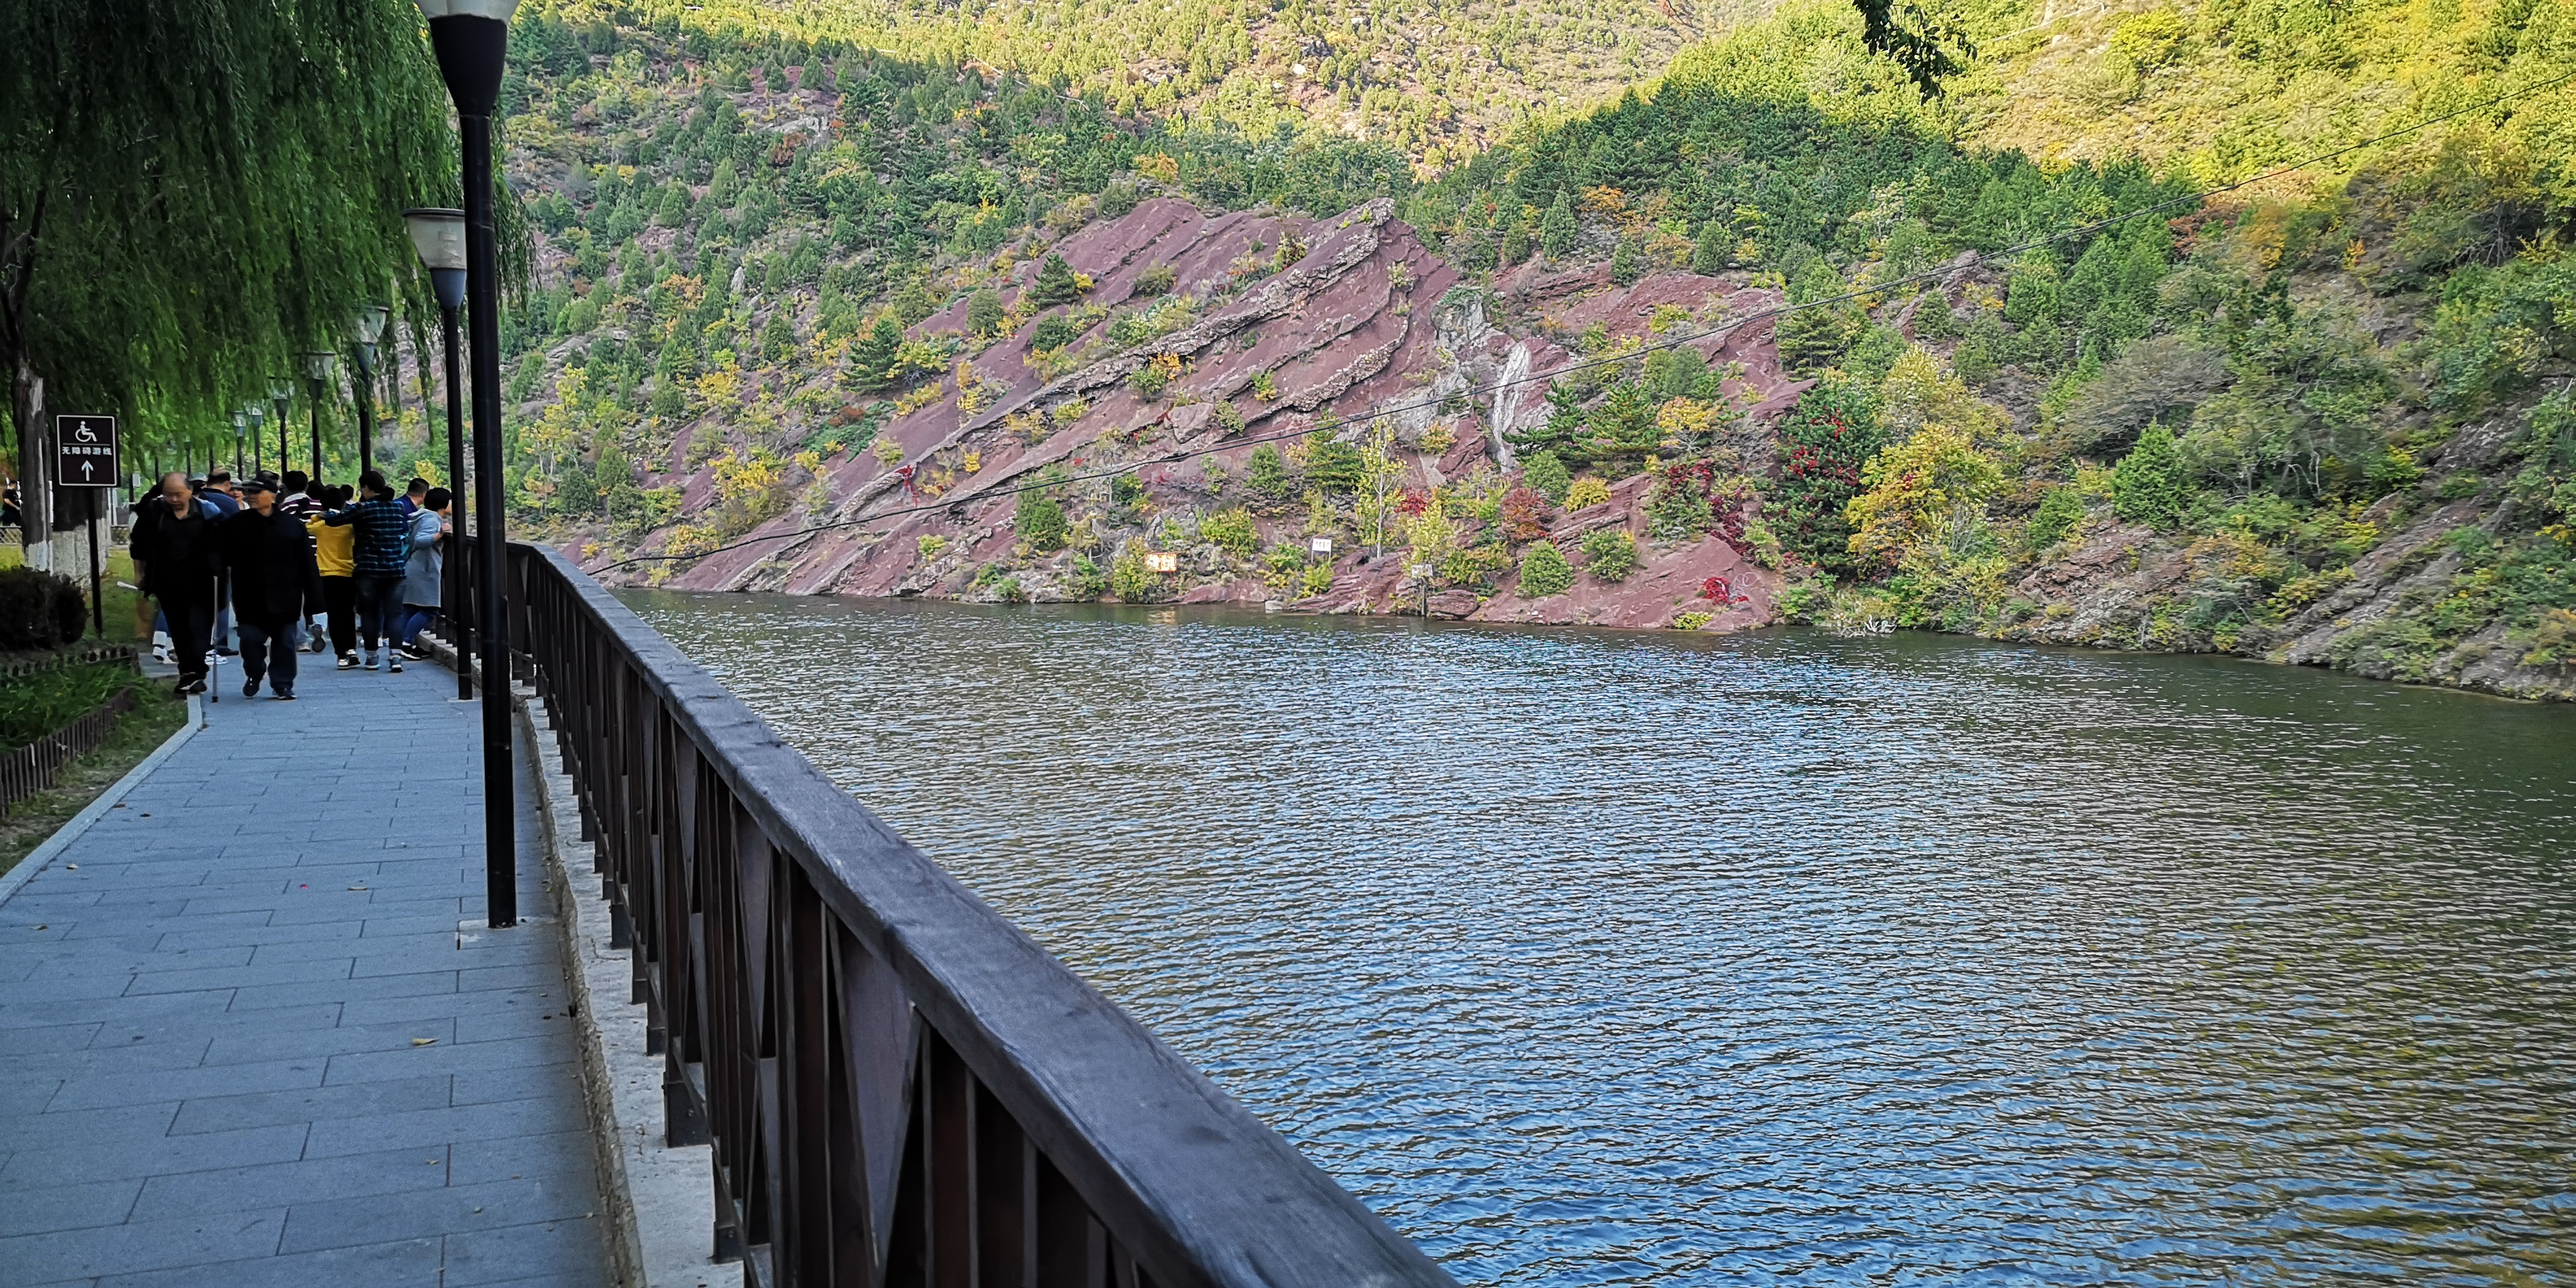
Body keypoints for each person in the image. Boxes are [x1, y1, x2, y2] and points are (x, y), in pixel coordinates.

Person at [217, 478, 323, 700]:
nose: (251, 495)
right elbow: (221, 554)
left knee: (285, 642)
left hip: (286, 595)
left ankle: (282, 683)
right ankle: (254, 673)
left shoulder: (292, 525)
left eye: (257, 491)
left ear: (273, 494)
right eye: (249, 492)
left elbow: (307, 563)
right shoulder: (236, 524)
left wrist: (315, 598)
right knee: (250, 641)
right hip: (249, 596)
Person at [130, 472, 222, 695]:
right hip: (167, 581)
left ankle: (195, 672)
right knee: (179, 629)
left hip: (203, 581)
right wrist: (141, 574)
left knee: (199, 627)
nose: (173, 499)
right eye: (168, 495)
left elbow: (224, 541)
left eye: (178, 495)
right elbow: (139, 546)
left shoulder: (208, 513)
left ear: (190, 491)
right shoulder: (154, 514)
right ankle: (188, 674)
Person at [325, 470, 412, 673]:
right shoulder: (398, 507)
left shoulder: (364, 508)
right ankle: (396, 657)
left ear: (366, 488)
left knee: (370, 614)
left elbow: (333, 521)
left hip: (368, 570)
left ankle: (372, 658)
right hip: (395, 569)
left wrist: (329, 513)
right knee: (395, 615)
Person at [306, 484, 360, 667]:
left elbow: (308, 527)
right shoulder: (350, 525)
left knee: (335, 614)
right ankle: (352, 649)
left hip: (327, 573)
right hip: (349, 571)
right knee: (348, 612)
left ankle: (341, 656)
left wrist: (317, 516)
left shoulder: (321, 526)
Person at [395, 487, 450, 658]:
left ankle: (400, 645)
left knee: (410, 609)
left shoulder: (423, 516)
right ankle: (405, 643)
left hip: (414, 567)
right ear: (443, 504)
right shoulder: (432, 519)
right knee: (429, 610)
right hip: (423, 570)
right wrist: (440, 534)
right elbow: (420, 540)